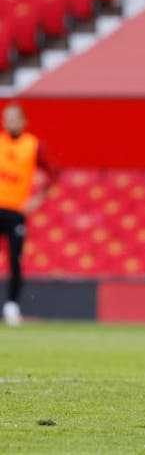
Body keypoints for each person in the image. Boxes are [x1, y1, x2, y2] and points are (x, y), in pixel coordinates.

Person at [0, 103, 57, 326]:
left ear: (24, 121)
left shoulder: (33, 145)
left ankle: (12, 306)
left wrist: (37, 199)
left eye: (15, 118)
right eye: (6, 118)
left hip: (16, 211)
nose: (10, 122)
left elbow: (53, 173)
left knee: (15, 260)